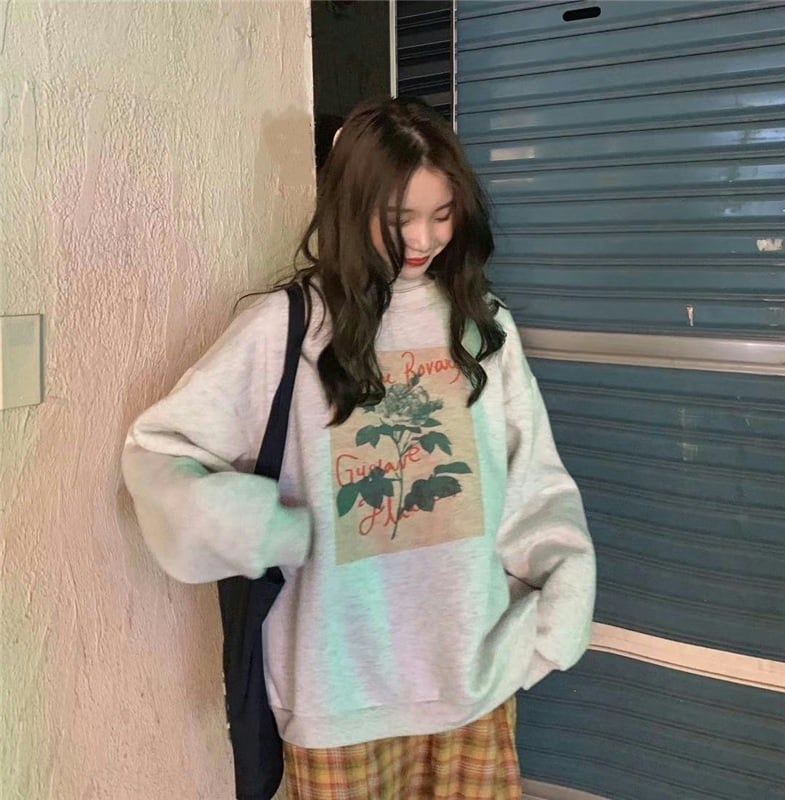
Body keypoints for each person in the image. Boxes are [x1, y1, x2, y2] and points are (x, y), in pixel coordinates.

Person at [122, 97, 596, 800]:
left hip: (471, 675)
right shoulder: (289, 328)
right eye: (400, 217)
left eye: (442, 214)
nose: (424, 238)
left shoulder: (482, 326)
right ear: (352, 206)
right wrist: (255, 525)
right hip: (336, 692)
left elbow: (532, 484)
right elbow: (158, 449)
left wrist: (559, 608)